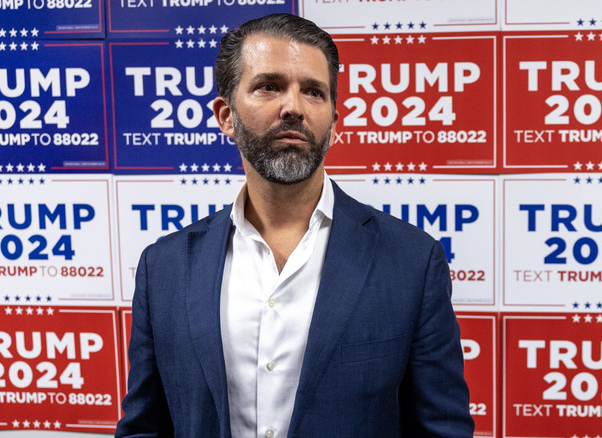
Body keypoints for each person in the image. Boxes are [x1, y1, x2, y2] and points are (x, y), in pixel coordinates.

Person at [116, 13, 474, 438]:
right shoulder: (164, 267)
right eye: (269, 86)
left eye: (313, 92)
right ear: (225, 116)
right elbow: (145, 427)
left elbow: (442, 430)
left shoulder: (412, 261)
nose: (294, 107)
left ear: (334, 123)